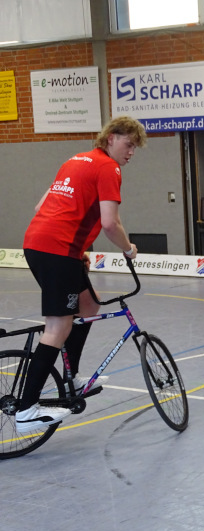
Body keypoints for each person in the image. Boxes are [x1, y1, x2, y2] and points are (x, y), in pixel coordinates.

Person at [16, 116, 147, 433]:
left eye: (134, 148)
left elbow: (41, 207)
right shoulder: (107, 167)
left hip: (41, 244)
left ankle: (72, 379)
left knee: (88, 306)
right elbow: (109, 224)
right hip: (57, 250)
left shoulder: (75, 160)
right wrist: (129, 249)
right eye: (129, 145)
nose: (130, 153)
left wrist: (77, 250)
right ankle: (26, 410)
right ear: (112, 138)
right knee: (58, 325)